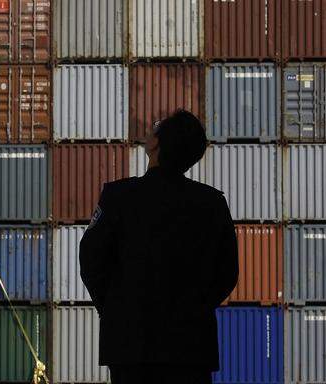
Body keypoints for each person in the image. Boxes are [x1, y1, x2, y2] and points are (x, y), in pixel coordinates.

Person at [79, 109, 239, 384]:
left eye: (156, 127)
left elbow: (91, 261)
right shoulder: (212, 203)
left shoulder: (117, 197)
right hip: (191, 348)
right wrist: (192, 309)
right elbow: (227, 274)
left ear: (155, 144)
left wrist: (119, 308)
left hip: (130, 348)